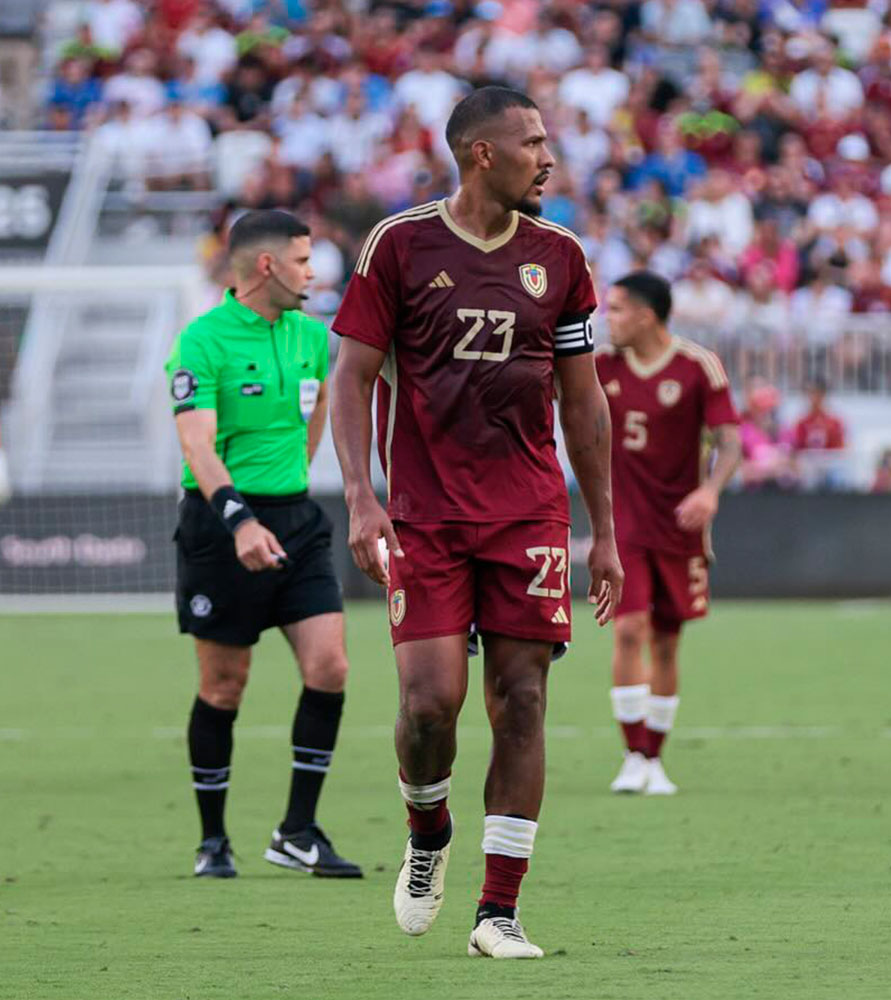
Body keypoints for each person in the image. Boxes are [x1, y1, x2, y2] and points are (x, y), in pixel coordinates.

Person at [331, 86, 623, 959]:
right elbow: (351, 378)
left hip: (527, 512)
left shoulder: (561, 257)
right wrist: (360, 492)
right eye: (532, 143)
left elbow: (584, 399)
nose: (549, 158)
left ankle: (498, 912)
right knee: (430, 706)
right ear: (482, 154)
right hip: (422, 514)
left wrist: (602, 528)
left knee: (523, 700)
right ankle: (427, 835)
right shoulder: (401, 245)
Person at [164, 210, 361, 881]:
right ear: (268, 266)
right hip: (220, 527)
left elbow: (317, 417)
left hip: (298, 522)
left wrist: (289, 495)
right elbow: (196, 444)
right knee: (224, 684)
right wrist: (241, 520)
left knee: (330, 667)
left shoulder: (312, 337)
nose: (316, 272)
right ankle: (212, 840)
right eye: (306, 261)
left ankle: (298, 831)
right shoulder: (201, 341)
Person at [596, 272, 741, 796]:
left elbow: (730, 441)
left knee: (666, 640)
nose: (606, 318)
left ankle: (654, 758)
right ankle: (633, 754)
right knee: (628, 629)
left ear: (646, 315)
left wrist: (711, 491)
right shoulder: (600, 365)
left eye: (615, 309)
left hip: (679, 526)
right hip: (622, 525)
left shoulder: (697, 366)